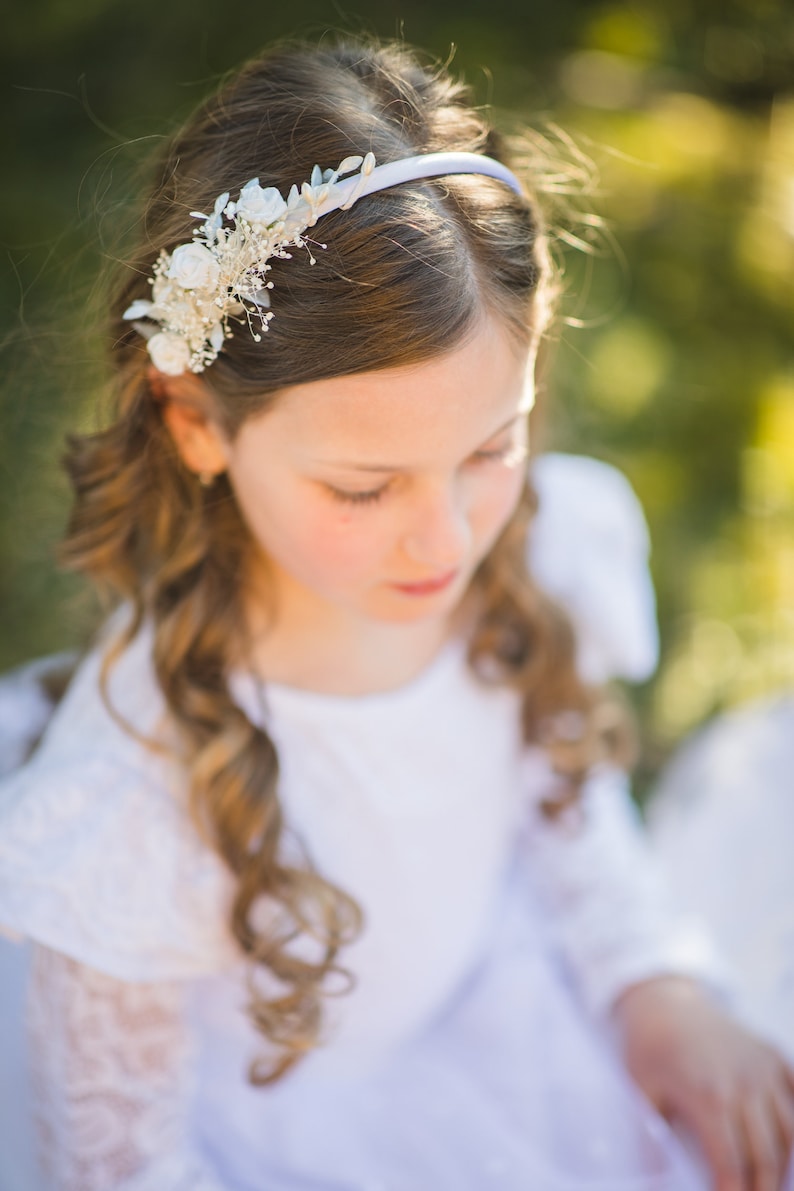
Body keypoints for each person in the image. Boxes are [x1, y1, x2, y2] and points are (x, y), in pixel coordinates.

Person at [0, 36, 792, 1191]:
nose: (448, 541)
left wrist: (647, 983)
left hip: (504, 1026)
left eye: (489, 448)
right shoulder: (131, 792)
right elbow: (123, 1167)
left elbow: (561, 809)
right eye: (362, 489)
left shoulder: (539, 552)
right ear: (195, 424)